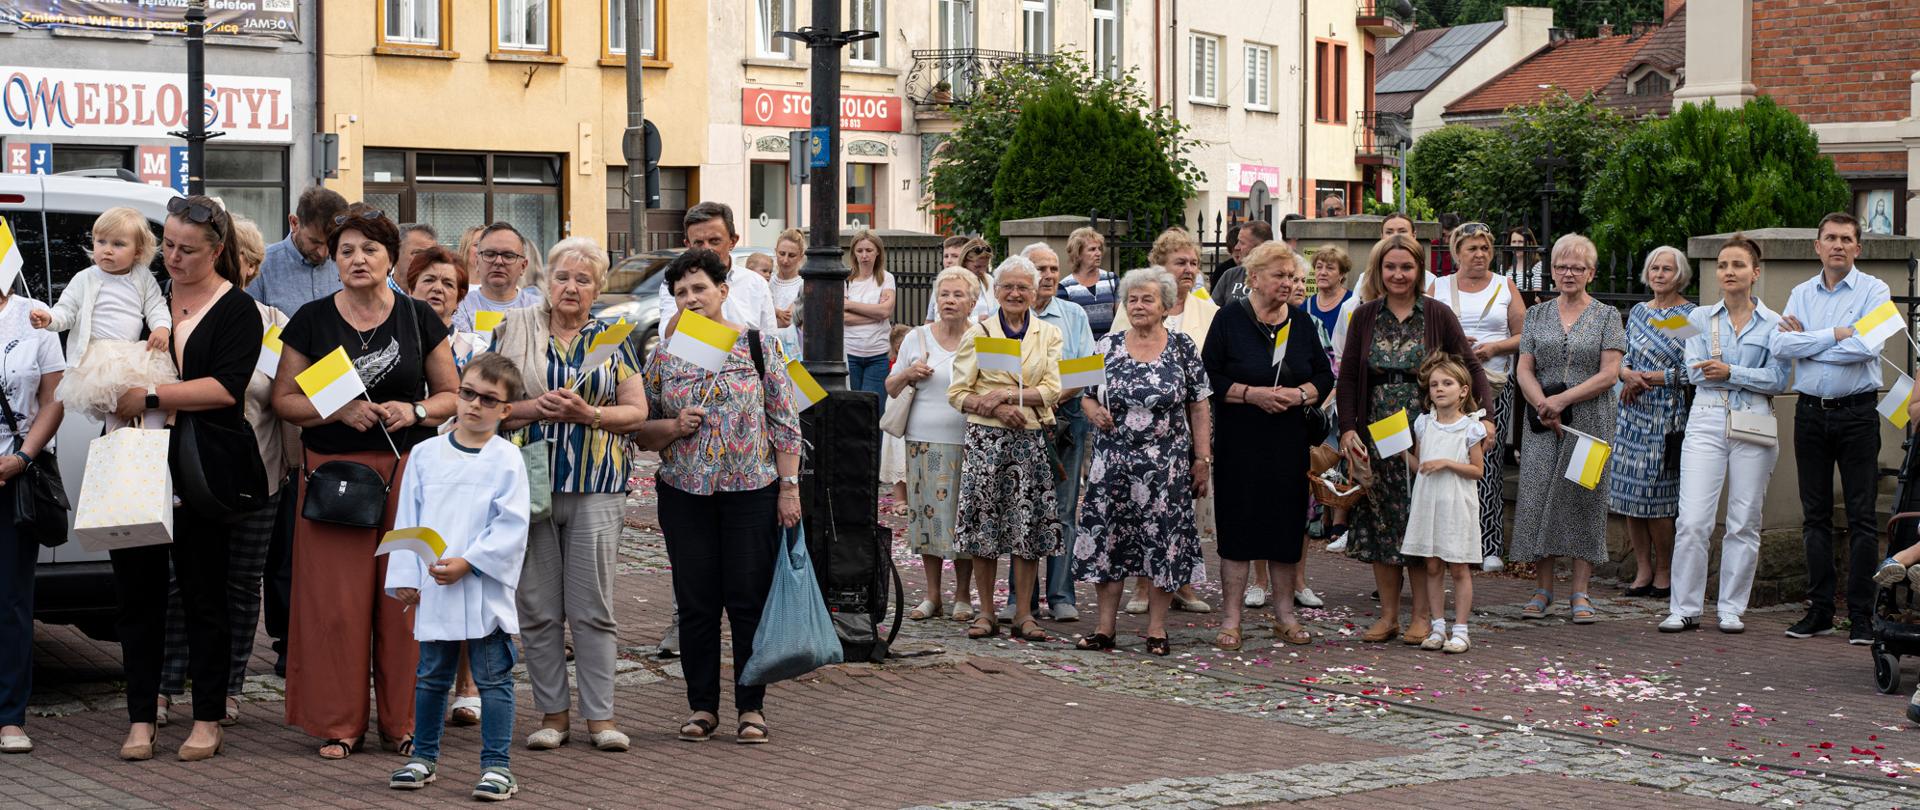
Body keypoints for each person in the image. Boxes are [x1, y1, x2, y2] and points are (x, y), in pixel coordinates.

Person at [274, 204, 459, 761]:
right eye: (346, 250)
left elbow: (451, 395)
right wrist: (336, 412)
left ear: (390, 258)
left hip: (407, 476)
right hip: (334, 478)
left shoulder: (418, 318)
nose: (358, 259)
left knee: (403, 600)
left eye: (369, 249)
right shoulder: (309, 319)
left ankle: (403, 722)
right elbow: (284, 401)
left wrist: (416, 410)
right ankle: (339, 724)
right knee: (336, 605)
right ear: (333, 259)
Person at [110, 194, 266, 762]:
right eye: (168, 244)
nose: (173, 257)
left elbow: (227, 389)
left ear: (217, 251)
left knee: (205, 594)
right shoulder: (139, 292)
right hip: (133, 457)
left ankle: (206, 717)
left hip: (201, 467)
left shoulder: (237, 310)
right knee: (137, 595)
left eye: (187, 250)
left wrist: (149, 394)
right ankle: (140, 718)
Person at [636, 248, 802, 745]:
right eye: (682, 293)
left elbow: (786, 422)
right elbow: (642, 429)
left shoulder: (757, 346)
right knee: (697, 602)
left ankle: (751, 707)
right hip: (686, 491)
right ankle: (702, 706)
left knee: (748, 600)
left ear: (723, 291)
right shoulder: (666, 355)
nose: (691, 299)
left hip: (751, 489)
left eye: (699, 289)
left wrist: (789, 487)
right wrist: (673, 425)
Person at [490, 237, 648, 752]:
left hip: (597, 483)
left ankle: (600, 718)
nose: (571, 287)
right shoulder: (513, 330)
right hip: (530, 481)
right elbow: (489, 407)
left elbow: (637, 412)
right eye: (563, 277)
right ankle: (552, 715)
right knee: (536, 607)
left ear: (598, 288)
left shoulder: (615, 337)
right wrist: (536, 407)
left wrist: (590, 415)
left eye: (583, 279)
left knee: (593, 608)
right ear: (545, 281)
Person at [155, 216, 296, 729]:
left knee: (239, 586)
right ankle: (166, 685)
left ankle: (228, 689)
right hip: (183, 466)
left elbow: (300, 392)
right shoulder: (163, 309)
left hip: (256, 471)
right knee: (175, 585)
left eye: (249, 261)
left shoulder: (274, 322)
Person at [386, 353, 532, 801]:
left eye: (488, 400)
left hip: (482, 585)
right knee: (431, 675)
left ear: (505, 410)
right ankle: (423, 757)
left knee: (493, 677)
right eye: (467, 393)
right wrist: (406, 574)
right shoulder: (426, 454)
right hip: (435, 584)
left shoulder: (507, 459)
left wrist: (470, 562)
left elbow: (512, 524)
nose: (473, 405)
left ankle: (497, 766)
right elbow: (408, 516)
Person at [1336, 233, 1493, 644]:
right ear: (1378, 271)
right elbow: (1350, 374)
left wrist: (1485, 418)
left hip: (1429, 431)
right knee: (1382, 520)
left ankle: (1423, 616)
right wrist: (1349, 428)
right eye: (1390, 267)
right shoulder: (1366, 315)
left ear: (1419, 270)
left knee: (1421, 520)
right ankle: (1388, 615)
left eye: (1406, 267)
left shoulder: (1437, 314)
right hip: (1378, 432)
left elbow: (1472, 367)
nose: (1398, 274)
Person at [1073, 267, 1213, 655]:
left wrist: (1202, 459)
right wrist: (1092, 411)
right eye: (1132, 299)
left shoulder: (1183, 347)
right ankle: (1104, 629)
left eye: (1147, 299)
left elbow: (1199, 405)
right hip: (1112, 466)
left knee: (1162, 545)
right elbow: (1083, 393)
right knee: (1109, 545)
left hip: (1165, 468)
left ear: (1166, 306)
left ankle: (1156, 629)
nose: (1138, 305)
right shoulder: (1107, 345)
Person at [1204, 244, 1333, 650]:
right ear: (1254, 278)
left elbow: (1324, 375)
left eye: (1293, 277)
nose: (1288, 283)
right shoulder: (1228, 319)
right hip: (1239, 439)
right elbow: (1209, 377)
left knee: (1285, 526)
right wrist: (1250, 394)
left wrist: (1299, 396)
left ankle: (1285, 616)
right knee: (1238, 525)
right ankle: (1231, 618)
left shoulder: (1302, 322)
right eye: (1280, 275)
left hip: (1287, 440)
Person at [1772, 211, 1889, 644]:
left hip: (1857, 413)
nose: (1837, 245)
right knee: (1814, 516)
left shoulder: (1876, 290)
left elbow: (1866, 348)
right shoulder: (1801, 292)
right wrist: (1838, 333)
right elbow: (1781, 346)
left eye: (1846, 239)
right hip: (1810, 413)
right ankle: (1819, 610)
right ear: (1816, 247)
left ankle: (1861, 615)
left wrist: (1815, 341)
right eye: (1830, 238)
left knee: (1861, 517)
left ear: (1858, 248)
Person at [1663, 235, 1788, 635]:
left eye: (1737, 265)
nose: (1728, 272)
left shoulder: (1776, 323)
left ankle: (1732, 607)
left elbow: (1781, 379)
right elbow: (1695, 370)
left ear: (1755, 272)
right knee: (1693, 520)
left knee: (1744, 519)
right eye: (1722, 265)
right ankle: (1684, 607)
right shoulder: (1694, 318)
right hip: (1706, 417)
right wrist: (1732, 373)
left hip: (1753, 421)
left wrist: (1733, 372)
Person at [1511, 233, 1626, 624]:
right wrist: (1542, 401)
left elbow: (1610, 374)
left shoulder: (1607, 316)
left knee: (1583, 498)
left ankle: (1581, 593)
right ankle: (1542, 590)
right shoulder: (1536, 315)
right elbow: (1524, 367)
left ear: (1591, 272)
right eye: (1561, 266)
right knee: (1538, 496)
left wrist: (1562, 400)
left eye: (1578, 267)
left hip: (1591, 422)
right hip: (1542, 421)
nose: (1568, 273)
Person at [948, 255, 1064, 643]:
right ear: (996, 291)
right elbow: (958, 393)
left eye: (1023, 287)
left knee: (1026, 529)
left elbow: (1052, 389)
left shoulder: (1047, 334)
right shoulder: (978, 332)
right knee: (985, 529)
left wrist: (1009, 395)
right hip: (987, 444)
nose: (1015, 293)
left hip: (1030, 443)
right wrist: (997, 407)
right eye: (1008, 287)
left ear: (1034, 292)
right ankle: (985, 613)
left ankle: (1025, 614)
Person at [1127, 228, 1217, 615]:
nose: (1189, 269)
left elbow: (1208, 373)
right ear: (1161, 266)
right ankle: (1143, 585)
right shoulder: (1136, 302)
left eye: (1194, 263)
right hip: (1138, 427)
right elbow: (1111, 360)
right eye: (1180, 262)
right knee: (1141, 509)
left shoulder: (1207, 308)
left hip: (1185, 427)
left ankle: (1181, 583)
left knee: (1182, 510)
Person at [0, 239, 67, 757]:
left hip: (12, 476)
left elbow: (53, 399)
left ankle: (9, 716)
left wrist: (22, 457)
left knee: (12, 601)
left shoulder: (34, 319)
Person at [1426, 222, 1524, 572]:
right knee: (1446, 459)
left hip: (1493, 383)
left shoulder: (1504, 285)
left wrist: (1494, 346)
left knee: (1488, 460)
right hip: (1446, 386)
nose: (1479, 254)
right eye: (1472, 248)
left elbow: (1523, 335)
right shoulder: (1438, 287)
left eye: (1485, 248)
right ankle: (1447, 543)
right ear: (1457, 253)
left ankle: (1490, 542)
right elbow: (1427, 333)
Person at [892, 269, 983, 621]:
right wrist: (907, 373)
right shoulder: (916, 337)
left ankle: (962, 595)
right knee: (927, 519)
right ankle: (933, 596)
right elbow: (890, 386)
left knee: (965, 519)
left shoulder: (982, 337)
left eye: (958, 294)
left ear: (973, 302)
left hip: (970, 439)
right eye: (944, 294)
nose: (949, 300)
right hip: (923, 439)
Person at [1610, 246, 1695, 597]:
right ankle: (1643, 569)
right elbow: (1621, 357)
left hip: (1665, 416)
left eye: (1667, 269)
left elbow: (1693, 369)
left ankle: (1664, 570)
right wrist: (1627, 374)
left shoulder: (1683, 316)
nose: (1660, 274)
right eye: (1655, 268)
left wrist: (1653, 378)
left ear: (1680, 276)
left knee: (1658, 498)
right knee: (1630, 495)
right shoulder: (1641, 312)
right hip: (1631, 412)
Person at [1400, 354, 1486, 653]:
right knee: (1432, 566)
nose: (1439, 389)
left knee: (1459, 566)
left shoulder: (1471, 428)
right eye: (1434, 384)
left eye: (1447, 383)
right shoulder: (1423, 424)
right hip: (1429, 504)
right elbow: (1422, 465)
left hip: (1456, 505)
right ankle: (1437, 626)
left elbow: (1478, 470)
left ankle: (1460, 630)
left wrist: (1448, 463)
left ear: (1463, 390)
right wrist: (1399, 451)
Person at [29, 206, 171, 361]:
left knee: (136, 385)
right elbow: (66, 311)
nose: (107, 250)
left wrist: (161, 327)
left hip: (129, 356)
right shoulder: (84, 278)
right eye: (101, 241)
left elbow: (156, 306)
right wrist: (50, 318)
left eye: (118, 244)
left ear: (137, 251)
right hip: (92, 357)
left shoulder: (142, 277)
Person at [658, 202, 777, 334]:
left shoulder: (756, 284)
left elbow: (770, 340)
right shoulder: (677, 284)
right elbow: (667, 337)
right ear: (688, 245)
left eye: (714, 241)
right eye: (698, 243)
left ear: (732, 241)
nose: (707, 249)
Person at [248, 186, 348, 316]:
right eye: (315, 242)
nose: (323, 253)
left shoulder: (347, 263)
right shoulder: (261, 265)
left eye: (331, 242)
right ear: (294, 223)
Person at [452, 223, 544, 332]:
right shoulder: (460, 307)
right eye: (490, 254)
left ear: (523, 266)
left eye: (508, 256)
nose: (498, 262)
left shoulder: (539, 309)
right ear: (477, 262)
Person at [409, 247, 484, 369]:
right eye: (429, 280)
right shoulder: (390, 341)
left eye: (448, 284)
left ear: (458, 300)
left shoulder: (475, 349)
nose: (438, 288)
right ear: (411, 291)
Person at [843, 230, 896, 398]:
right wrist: (875, 313)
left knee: (874, 408)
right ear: (853, 253)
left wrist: (850, 304)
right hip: (850, 352)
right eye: (860, 251)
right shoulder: (846, 279)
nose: (864, 255)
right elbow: (843, 317)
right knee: (853, 407)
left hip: (878, 353)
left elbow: (885, 311)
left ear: (877, 251)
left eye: (869, 250)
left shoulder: (886, 278)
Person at [1059, 226, 1117, 335]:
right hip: (1082, 349)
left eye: (1099, 248)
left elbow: (1121, 318)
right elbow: (1065, 325)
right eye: (1092, 249)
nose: (1098, 253)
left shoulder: (1111, 279)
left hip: (1110, 347)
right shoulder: (1065, 287)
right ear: (1078, 254)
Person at [881, 324, 912, 517]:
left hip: (913, 406)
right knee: (898, 451)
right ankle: (900, 498)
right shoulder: (899, 364)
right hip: (899, 406)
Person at [927, 239, 996, 323]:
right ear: (964, 262)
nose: (982, 271)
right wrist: (976, 320)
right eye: (977, 267)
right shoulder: (947, 281)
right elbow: (940, 319)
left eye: (985, 266)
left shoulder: (989, 280)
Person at [1210, 220, 1272, 303]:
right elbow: (1212, 310)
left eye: (1242, 243)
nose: (1236, 247)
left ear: (1259, 247)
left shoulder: (1279, 277)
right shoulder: (1230, 275)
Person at [770, 229, 806, 359]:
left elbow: (788, 321)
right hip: (768, 349)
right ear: (775, 252)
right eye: (781, 254)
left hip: (794, 351)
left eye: (791, 255)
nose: (785, 260)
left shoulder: (804, 283)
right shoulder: (767, 282)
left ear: (801, 256)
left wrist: (771, 316)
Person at [398, 223, 439, 294]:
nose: (427, 260)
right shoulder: (376, 295)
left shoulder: (439, 296)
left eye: (432, 254)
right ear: (395, 255)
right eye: (418, 253)